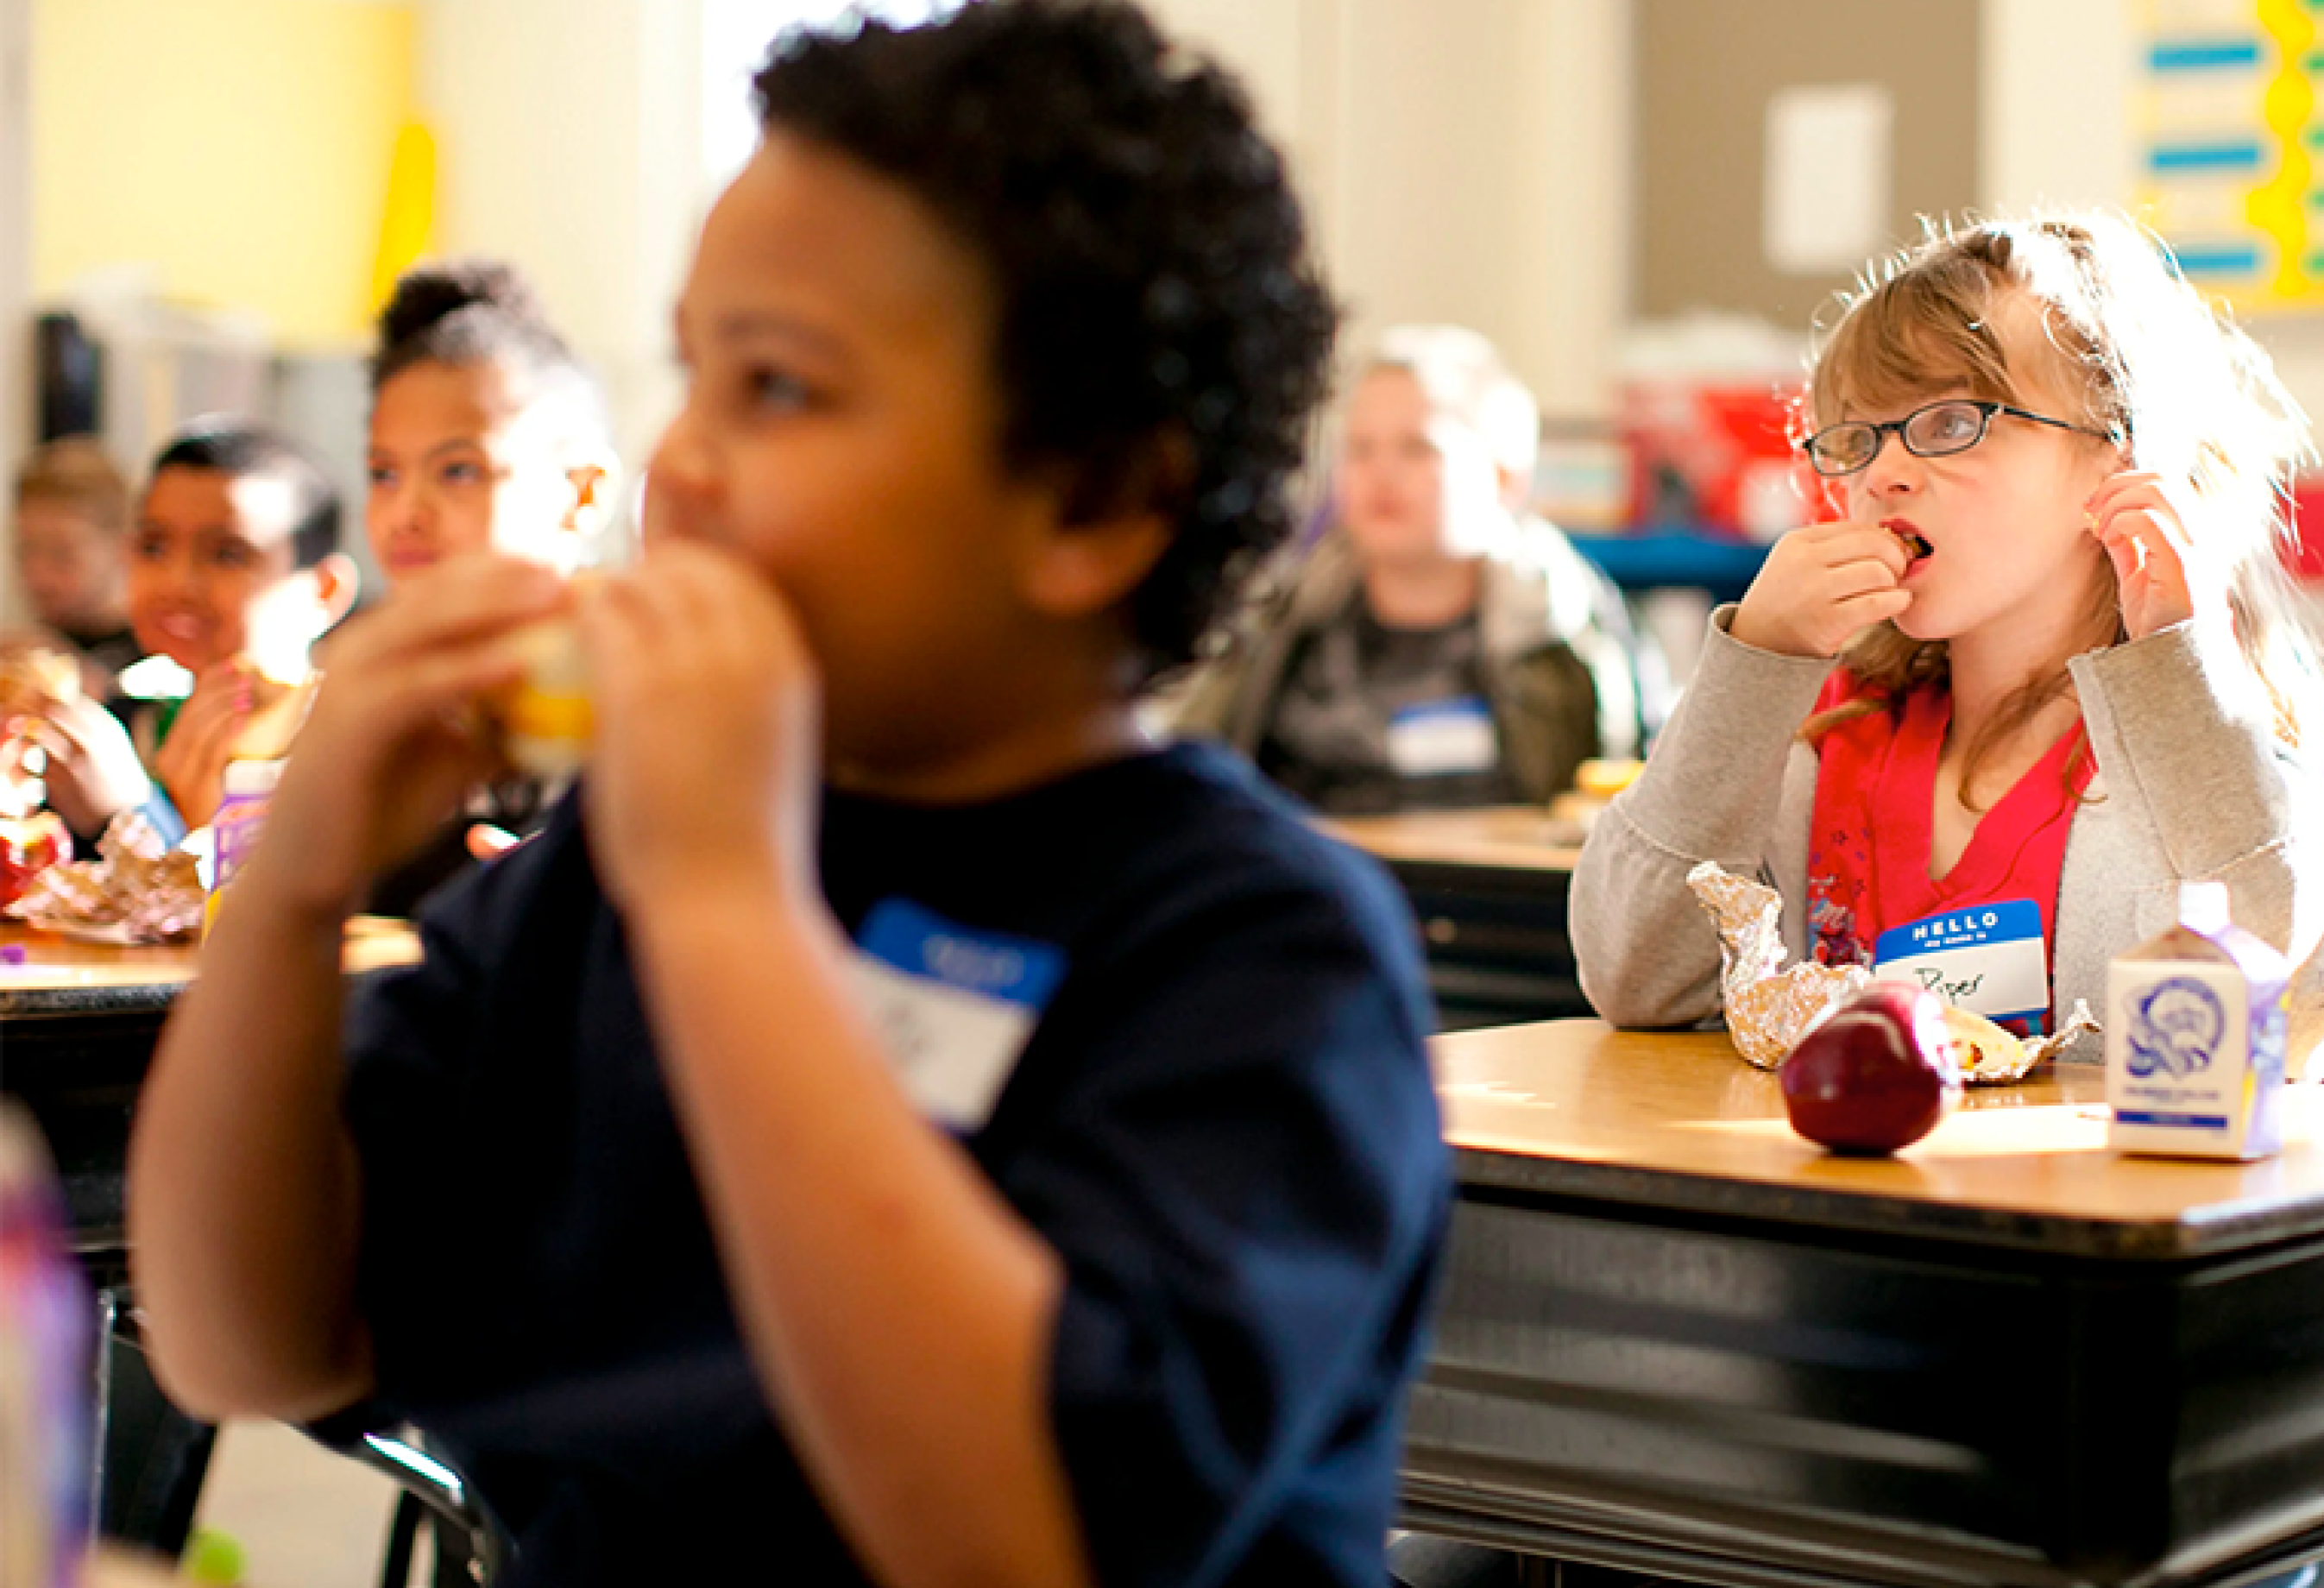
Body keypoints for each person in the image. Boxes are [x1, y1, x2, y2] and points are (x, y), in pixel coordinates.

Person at [124, 6, 1448, 1587]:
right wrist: (297, 884)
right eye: (693, 370)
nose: (679, 461)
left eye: (780, 388)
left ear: (1090, 502)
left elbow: (1015, 1545)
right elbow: (246, 1344)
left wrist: (722, 899)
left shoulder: (1262, 957)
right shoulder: (603, 875)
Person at [1567, 213, 2324, 1077]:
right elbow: (1632, 977)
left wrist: (2181, 669)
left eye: (1951, 423)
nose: (1881, 476)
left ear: (2118, 452)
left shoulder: (2185, 745)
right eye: (1856, 438)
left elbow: (2287, 1015)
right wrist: (1754, 665)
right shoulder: (1825, 734)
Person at [1168, 324, 1657, 814]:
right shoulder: (1281, 616)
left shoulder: (1574, 631)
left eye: (1418, 449)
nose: (1381, 474)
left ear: (1504, 477)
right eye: (1360, 449)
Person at [361, 259, 622, 913]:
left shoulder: (639, 693)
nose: (407, 513)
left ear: (582, 492)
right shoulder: (361, 690)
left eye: (458, 471)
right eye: (385, 474)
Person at [0, 421, 353, 849]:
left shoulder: (352, 755)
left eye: (226, 554)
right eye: (153, 546)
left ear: (324, 591)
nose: (176, 583)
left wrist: (133, 816)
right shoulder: (119, 724)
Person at [10, 438, 142, 693]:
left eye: (62, 554)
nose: (38, 576)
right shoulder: (24, 652)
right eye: (26, 550)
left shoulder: (158, 655)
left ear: (122, 546)